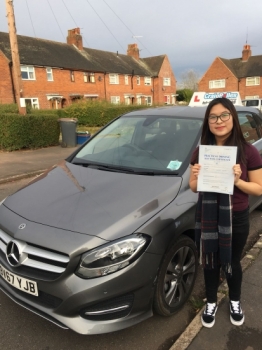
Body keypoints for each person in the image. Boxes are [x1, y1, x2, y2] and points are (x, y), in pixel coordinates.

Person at [189, 97, 262, 328]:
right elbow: (192, 186)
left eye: (224, 115)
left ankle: (235, 301)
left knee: (231, 261)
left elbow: (259, 189)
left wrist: (238, 181)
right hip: (208, 215)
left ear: (233, 118)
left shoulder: (249, 152)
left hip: (236, 217)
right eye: (213, 117)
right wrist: (197, 176)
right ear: (207, 122)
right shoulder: (201, 152)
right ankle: (211, 301)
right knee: (210, 261)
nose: (218, 121)